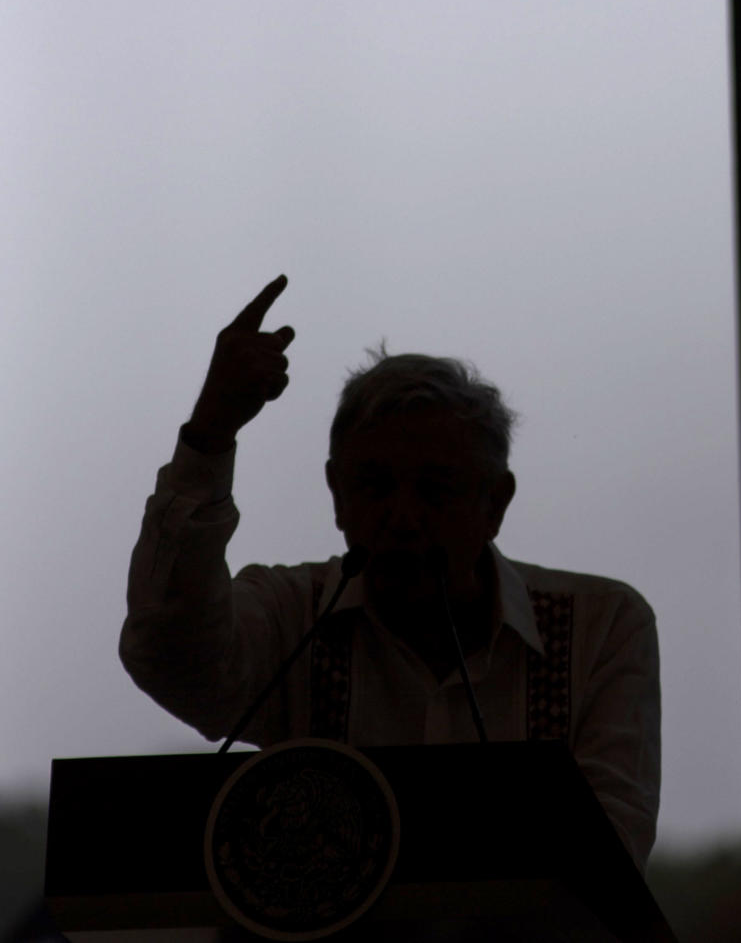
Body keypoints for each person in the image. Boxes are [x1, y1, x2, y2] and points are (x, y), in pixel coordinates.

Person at [119, 275, 661, 868]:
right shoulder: (291, 614)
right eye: (375, 486)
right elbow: (170, 659)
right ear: (336, 494)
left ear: (496, 505)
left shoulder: (601, 627)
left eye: (435, 490)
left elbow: (610, 854)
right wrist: (210, 433)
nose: (402, 517)